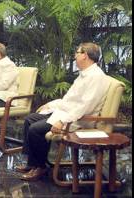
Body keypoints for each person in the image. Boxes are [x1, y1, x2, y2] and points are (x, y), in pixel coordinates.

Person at [16, 42, 109, 181]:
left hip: (79, 119)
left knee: (35, 129)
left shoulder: (96, 77)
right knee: (30, 119)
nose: (75, 56)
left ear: (85, 56)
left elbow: (85, 107)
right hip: (69, 112)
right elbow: (70, 100)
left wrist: (62, 121)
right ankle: (32, 163)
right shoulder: (85, 74)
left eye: (77, 53)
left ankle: (40, 168)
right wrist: (50, 104)